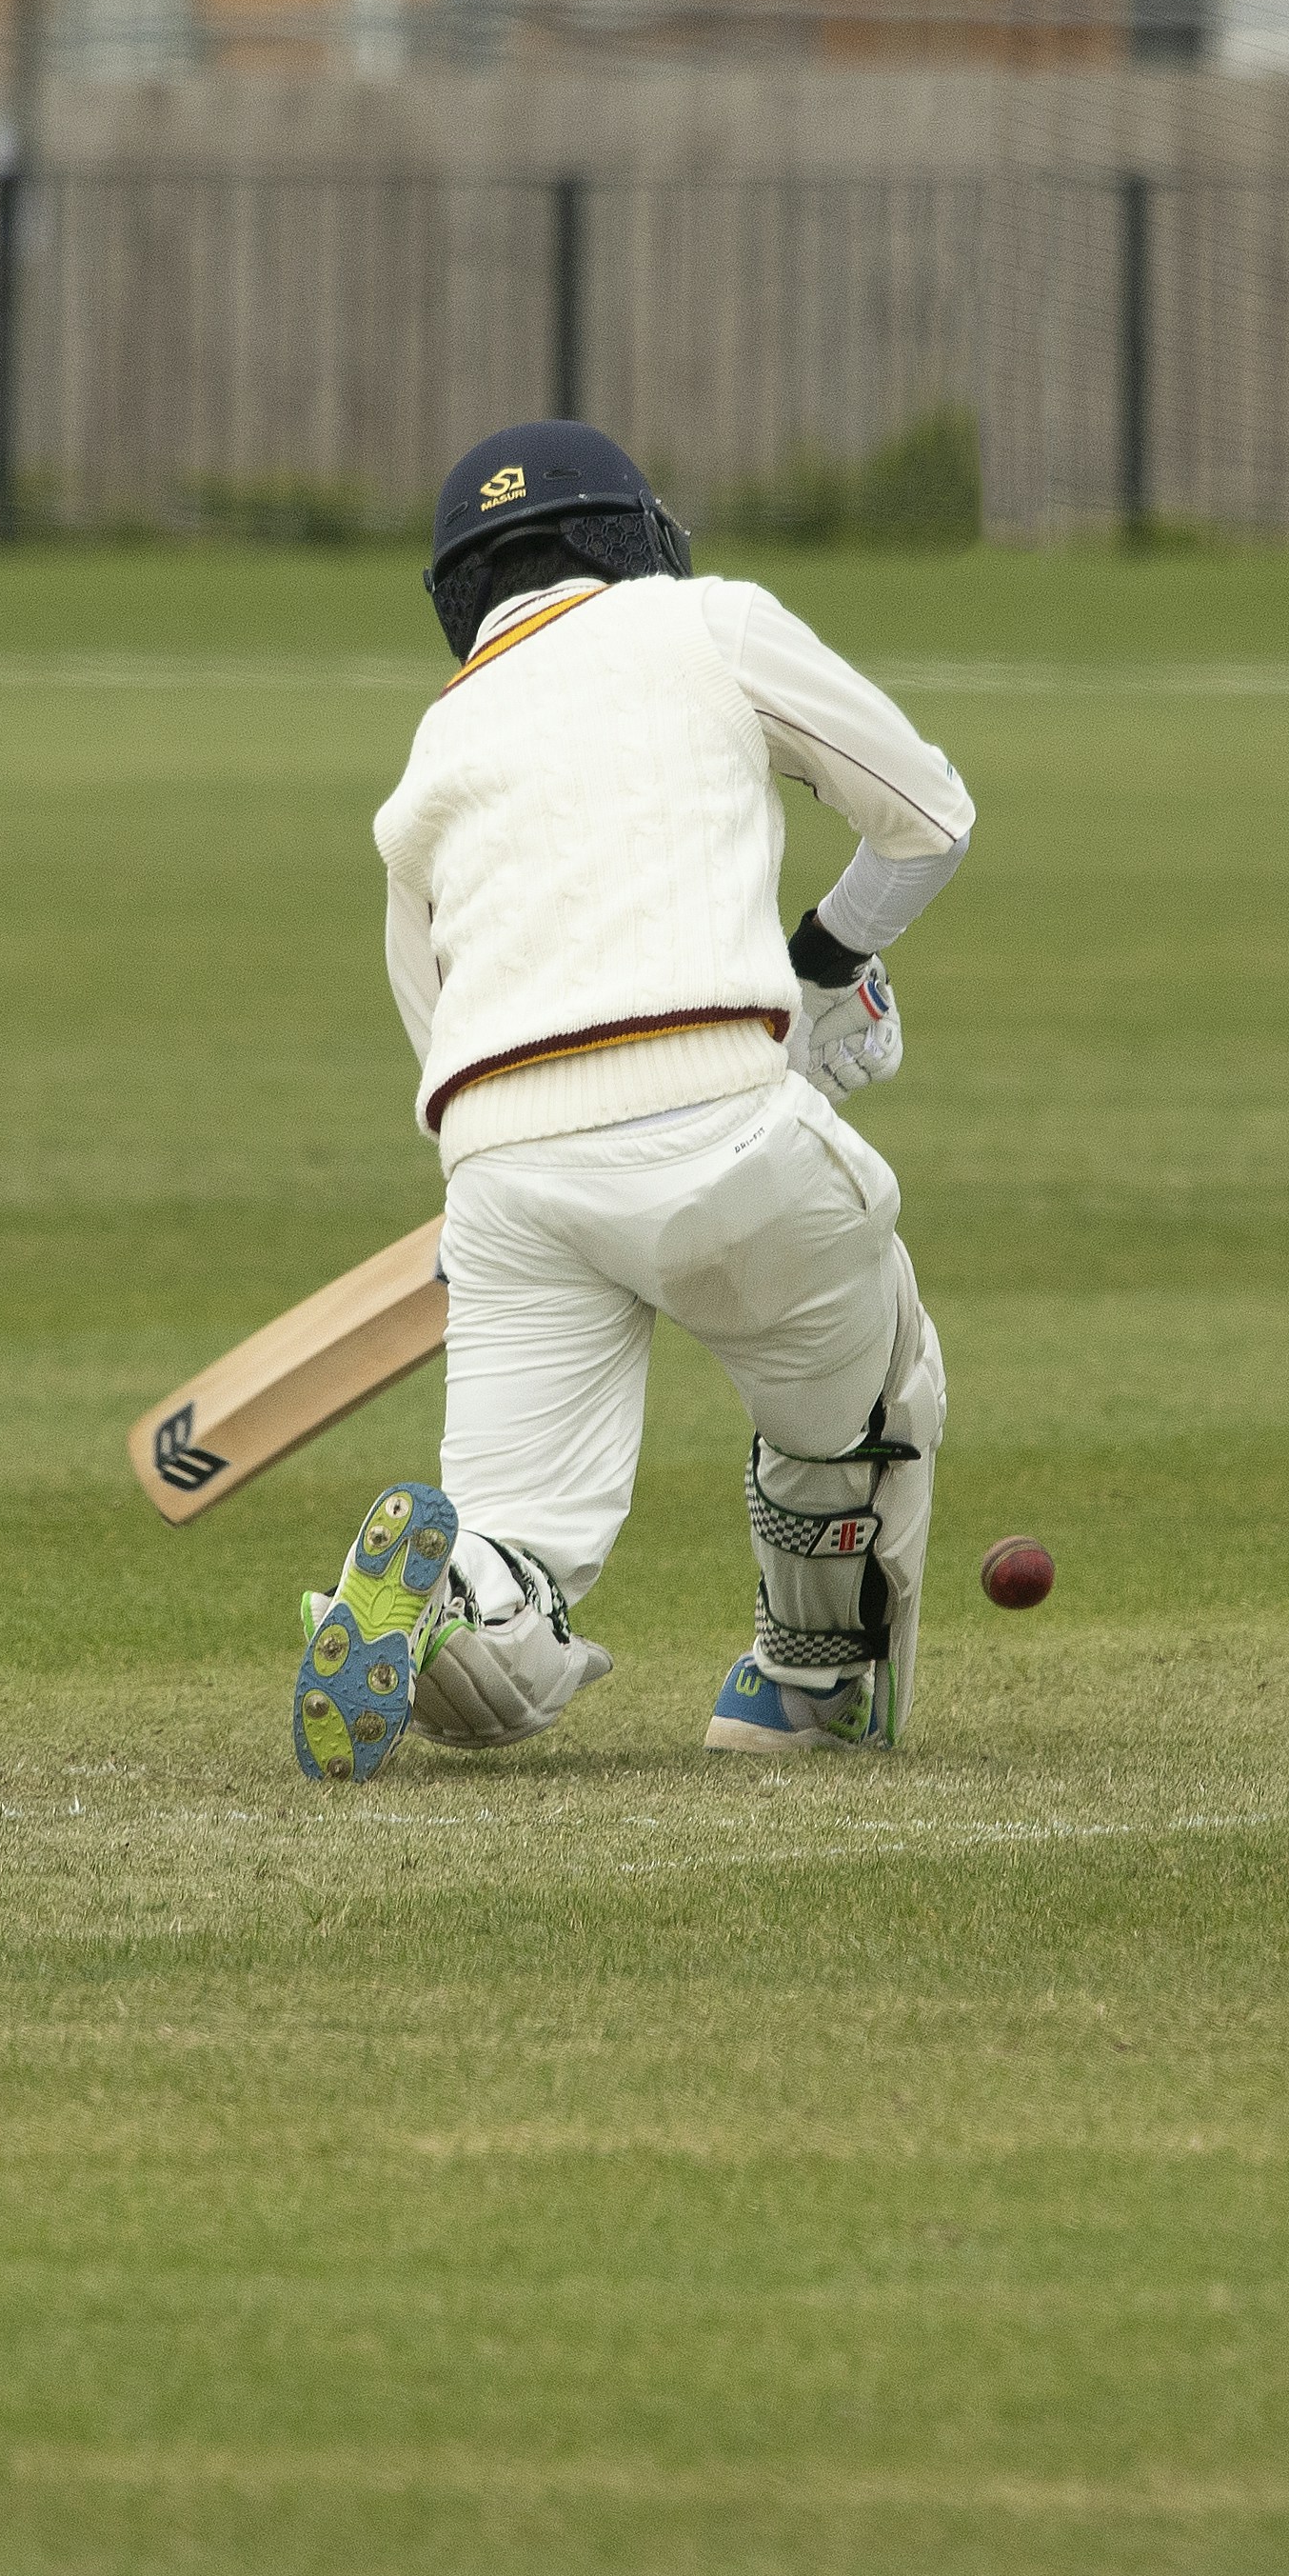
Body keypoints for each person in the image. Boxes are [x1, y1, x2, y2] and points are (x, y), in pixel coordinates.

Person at [293, 423, 974, 1780]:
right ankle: (807, 1681)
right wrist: (815, 973)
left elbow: (451, 1040)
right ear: (630, 533)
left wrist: (752, 1034)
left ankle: (450, 1597)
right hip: (720, 1134)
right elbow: (928, 814)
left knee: (521, 1557)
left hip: (502, 1172)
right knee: (863, 1408)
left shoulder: (432, 752)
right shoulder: (701, 623)